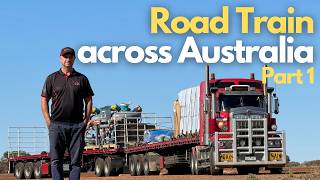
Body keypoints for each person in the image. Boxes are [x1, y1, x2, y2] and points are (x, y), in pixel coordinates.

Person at [41, 47, 97, 180]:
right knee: (55, 161)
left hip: (77, 126)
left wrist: (85, 121)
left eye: (70, 56)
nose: (68, 59)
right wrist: (48, 121)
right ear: (60, 58)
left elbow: (88, 100)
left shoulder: (82, 79)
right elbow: (44, 99)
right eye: (65, 56)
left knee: (76, 163)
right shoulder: (51, 78)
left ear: (74, 59)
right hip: (56, 125)